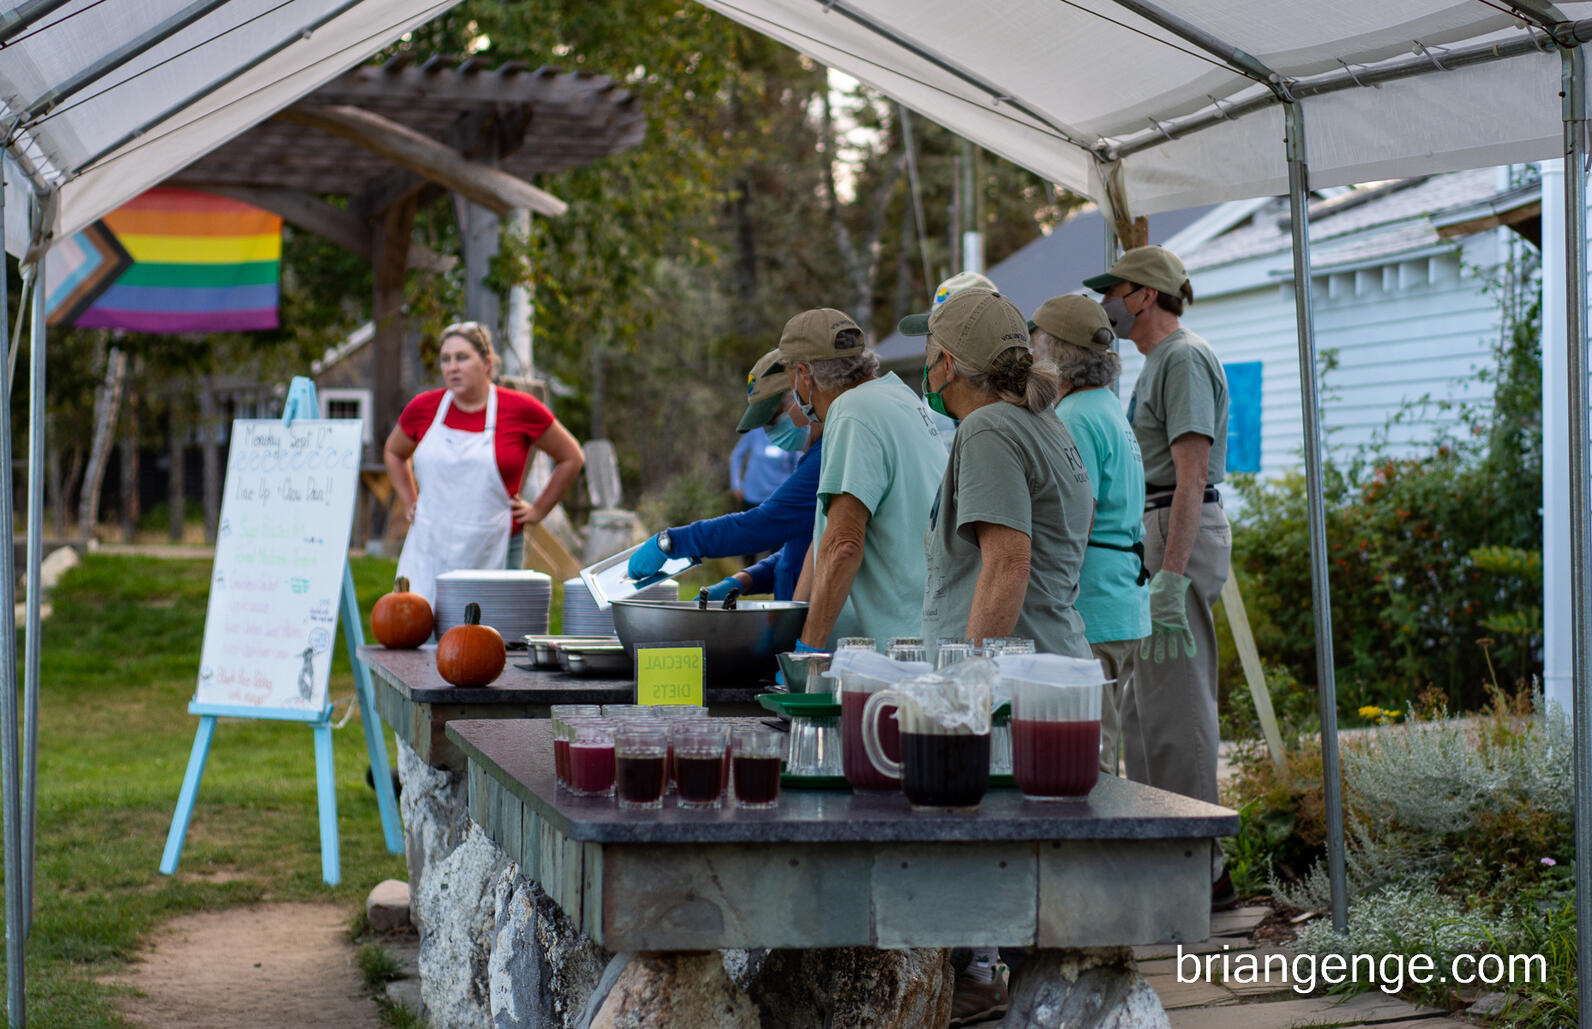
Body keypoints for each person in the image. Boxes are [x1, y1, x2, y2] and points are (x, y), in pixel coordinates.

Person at [1084, 245, 1233, 907]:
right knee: (1145, 714)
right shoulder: (1158, 363)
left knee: (1177, 711)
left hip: (1179, 528)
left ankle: (1202, 866)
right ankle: (1162, 855)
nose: (1106, 304)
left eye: (1113, 291)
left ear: (1143, 294)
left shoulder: (1182, 357)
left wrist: (1171, 579)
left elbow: (1191, 472)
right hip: (1160, 529)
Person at [903, 287, 1095, 659]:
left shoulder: (988, 428)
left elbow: (1009, 565)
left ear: (947, 362)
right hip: (1050, 660)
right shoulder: (1041, 419)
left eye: (929, 351)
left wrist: (969, 680)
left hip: (1015, 684)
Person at [1028, 294, 1150, 774]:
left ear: (1054, 354)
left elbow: (1072, 519)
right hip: (1120, 602)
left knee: (1085, 762)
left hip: (1091, 611)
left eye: (1035, 345)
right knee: (1101, 750)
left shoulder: (1074, 418)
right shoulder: (1106, 408)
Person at [383, 321, 585, 607]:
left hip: (496, 546)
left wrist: (539, 510)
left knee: (491, 638)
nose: (452, 367)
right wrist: (408, 499)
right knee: (420, 630)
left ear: (487, 363)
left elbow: (571, 457)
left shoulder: (520, 409)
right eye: (445, 359)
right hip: (430, 546)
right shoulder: (423, 408)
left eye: (462, 357)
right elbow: (393, 451)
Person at [778, 308, 945, 648]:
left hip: (902, 653)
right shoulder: (897, 395)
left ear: (803, 373)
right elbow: (827, 536)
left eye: (790, 379)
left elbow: (843, 545)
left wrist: (808, 651)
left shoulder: (852, 412)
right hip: (930, 629)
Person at [626, 350, 821, 601]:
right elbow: (802, 550)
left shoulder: (826, 459)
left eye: (774, 418)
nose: (771, 430)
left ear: (804, 395)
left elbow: (760, 526)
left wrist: (672, 542)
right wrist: (742, 581)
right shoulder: (812, 456)